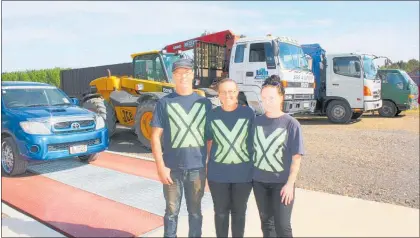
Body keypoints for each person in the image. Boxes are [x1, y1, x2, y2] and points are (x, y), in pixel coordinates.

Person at [150, 58, 213, 237]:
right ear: (173, 76)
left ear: (193, 74)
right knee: (171, 213)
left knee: (195, 213)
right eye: (179, 73)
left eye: (186, 72)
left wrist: (209, 164)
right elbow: (155, 136)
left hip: (197, 169)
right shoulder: (164, 103)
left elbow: (209, 138)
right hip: (172, 170)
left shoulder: (204, 104)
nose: (183, 76)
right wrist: (161, 167)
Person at [252, 75, 304, 237]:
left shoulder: (291, 124)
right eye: (264, 98)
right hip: (259, 182)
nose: (267, 102)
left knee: (283, 226)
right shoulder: (256, 122)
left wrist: (290, 184)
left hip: (282, 184)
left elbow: (296, 158)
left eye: (272, 98)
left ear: (281, 97)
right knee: (267, 225)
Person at [205, 78, 255, 237]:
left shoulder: (248, 113)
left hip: (243, 174)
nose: (228, 95)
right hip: (218, 175)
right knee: (220, 213)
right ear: (218, 95)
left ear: (237, 93)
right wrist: (210, 165)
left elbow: (253, 141)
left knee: (239, 214)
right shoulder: (212, 115)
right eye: (224, 92)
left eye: (232, 91)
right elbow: (209, 142)